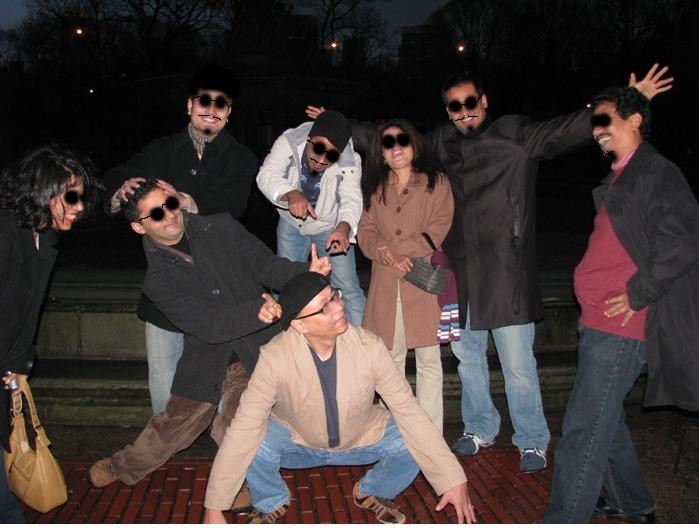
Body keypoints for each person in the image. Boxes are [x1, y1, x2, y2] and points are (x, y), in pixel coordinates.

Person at [307, 63, 672, 473]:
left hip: (506, 273)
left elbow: (566, 129)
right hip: (461, 276)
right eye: (454, 106)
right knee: (469, 361)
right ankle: (480, 428)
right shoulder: (443, 142)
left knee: (518, 365)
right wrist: (339, 125)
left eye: (469, 102)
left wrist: (627, 101)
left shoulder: (515, 135)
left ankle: (531, 439)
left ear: (483, 101)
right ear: (448, 111)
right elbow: (390, 138)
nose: (464, 111)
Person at [87, 180, 330, 496]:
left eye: (170, 204)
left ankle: (237, 485)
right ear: (138, 226)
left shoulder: (220, 227)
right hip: (207, 357)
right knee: (174, 426)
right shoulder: (157, 281)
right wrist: (256, 311)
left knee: (233, 426)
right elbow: (208, 325)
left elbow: (267, 266)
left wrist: (307, 271)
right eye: (156, 214)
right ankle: (123, 465)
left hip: (254, 351)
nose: (169, 216)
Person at [202, 272, 477, 524]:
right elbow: (244, 427)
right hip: (297, 442)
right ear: (299, 325)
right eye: (324, 307)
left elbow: (409, 411)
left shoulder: (369, 347)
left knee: (413, 436)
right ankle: (272, 500)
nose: (338, 307)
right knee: (251, 438)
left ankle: (373, 490)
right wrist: (214, 507)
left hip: (360, 439)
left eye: (334, 296)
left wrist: (452, 479)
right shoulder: (274, 357)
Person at [544, 87, 699, 523]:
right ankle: (633, 502)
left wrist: (638, 293)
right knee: (604, 422)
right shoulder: (622, 175)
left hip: (621, 326)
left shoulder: (657, 171)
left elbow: (684, 239)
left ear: (635, 121)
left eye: (605, 121)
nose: (597, 131)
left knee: (582, 430)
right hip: (598, 321)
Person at [102, 66, 259, 413]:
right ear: (190, 105)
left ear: (229, 112)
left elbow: (234, 204)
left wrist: (187, 201)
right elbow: (113, 177)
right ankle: (164, 438)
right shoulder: (161, 150)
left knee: (226, 372)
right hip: (170, 281)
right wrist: (121, 191)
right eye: (204, 101)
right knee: (163, 371)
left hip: (220, 282)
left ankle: (227, 437)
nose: (211, 109)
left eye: (221, 103)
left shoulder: (241, 157)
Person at [0, 144, 101, 522]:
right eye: (71, 197)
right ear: (42, 193)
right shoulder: (5, 235)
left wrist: (15, 368)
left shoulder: (42, 238)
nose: (79, 207)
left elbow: (23, 315)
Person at [357, 119, 454, 431]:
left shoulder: (435, 182)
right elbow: (365, 231)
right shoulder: (374, 187)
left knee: (429, 361)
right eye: (388, 143)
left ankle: (430, 433)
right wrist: (382, 250)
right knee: (391, 362)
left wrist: (397, 250)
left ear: (413, 145)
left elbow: (439, 226)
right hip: (386, 283)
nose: (396, 147)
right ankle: (395, 432)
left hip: (421, 281)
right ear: (382, 153)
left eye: (402, 140)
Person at [256, 110, 366, 326]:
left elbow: (351, 198)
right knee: (286, 285)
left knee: (347, 287)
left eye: (331, 155)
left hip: (329, 226)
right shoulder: (290, 141)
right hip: (291, 224)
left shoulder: (350, 160)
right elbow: (266, 175)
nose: (320, 159)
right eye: (318, 149)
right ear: (309, 139)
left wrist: (343, 228)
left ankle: (359, 343)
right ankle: (286, 340)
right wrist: (290, 193)